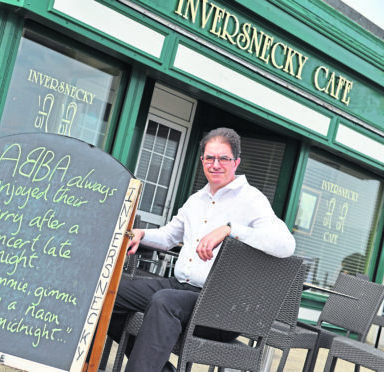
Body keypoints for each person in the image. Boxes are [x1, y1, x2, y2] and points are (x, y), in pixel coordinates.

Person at [107, 127, 296, 372]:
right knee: (109, 292)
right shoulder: (197, 199)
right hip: (180, 288)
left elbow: (286, 245)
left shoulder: (251, 200)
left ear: (236, 162)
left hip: (218, 305)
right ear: (202, 160)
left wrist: (230, 230)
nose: (215, 164)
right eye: (210, 157)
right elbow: (169, 236)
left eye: (223, 158)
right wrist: (142, 234)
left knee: (164, 302)